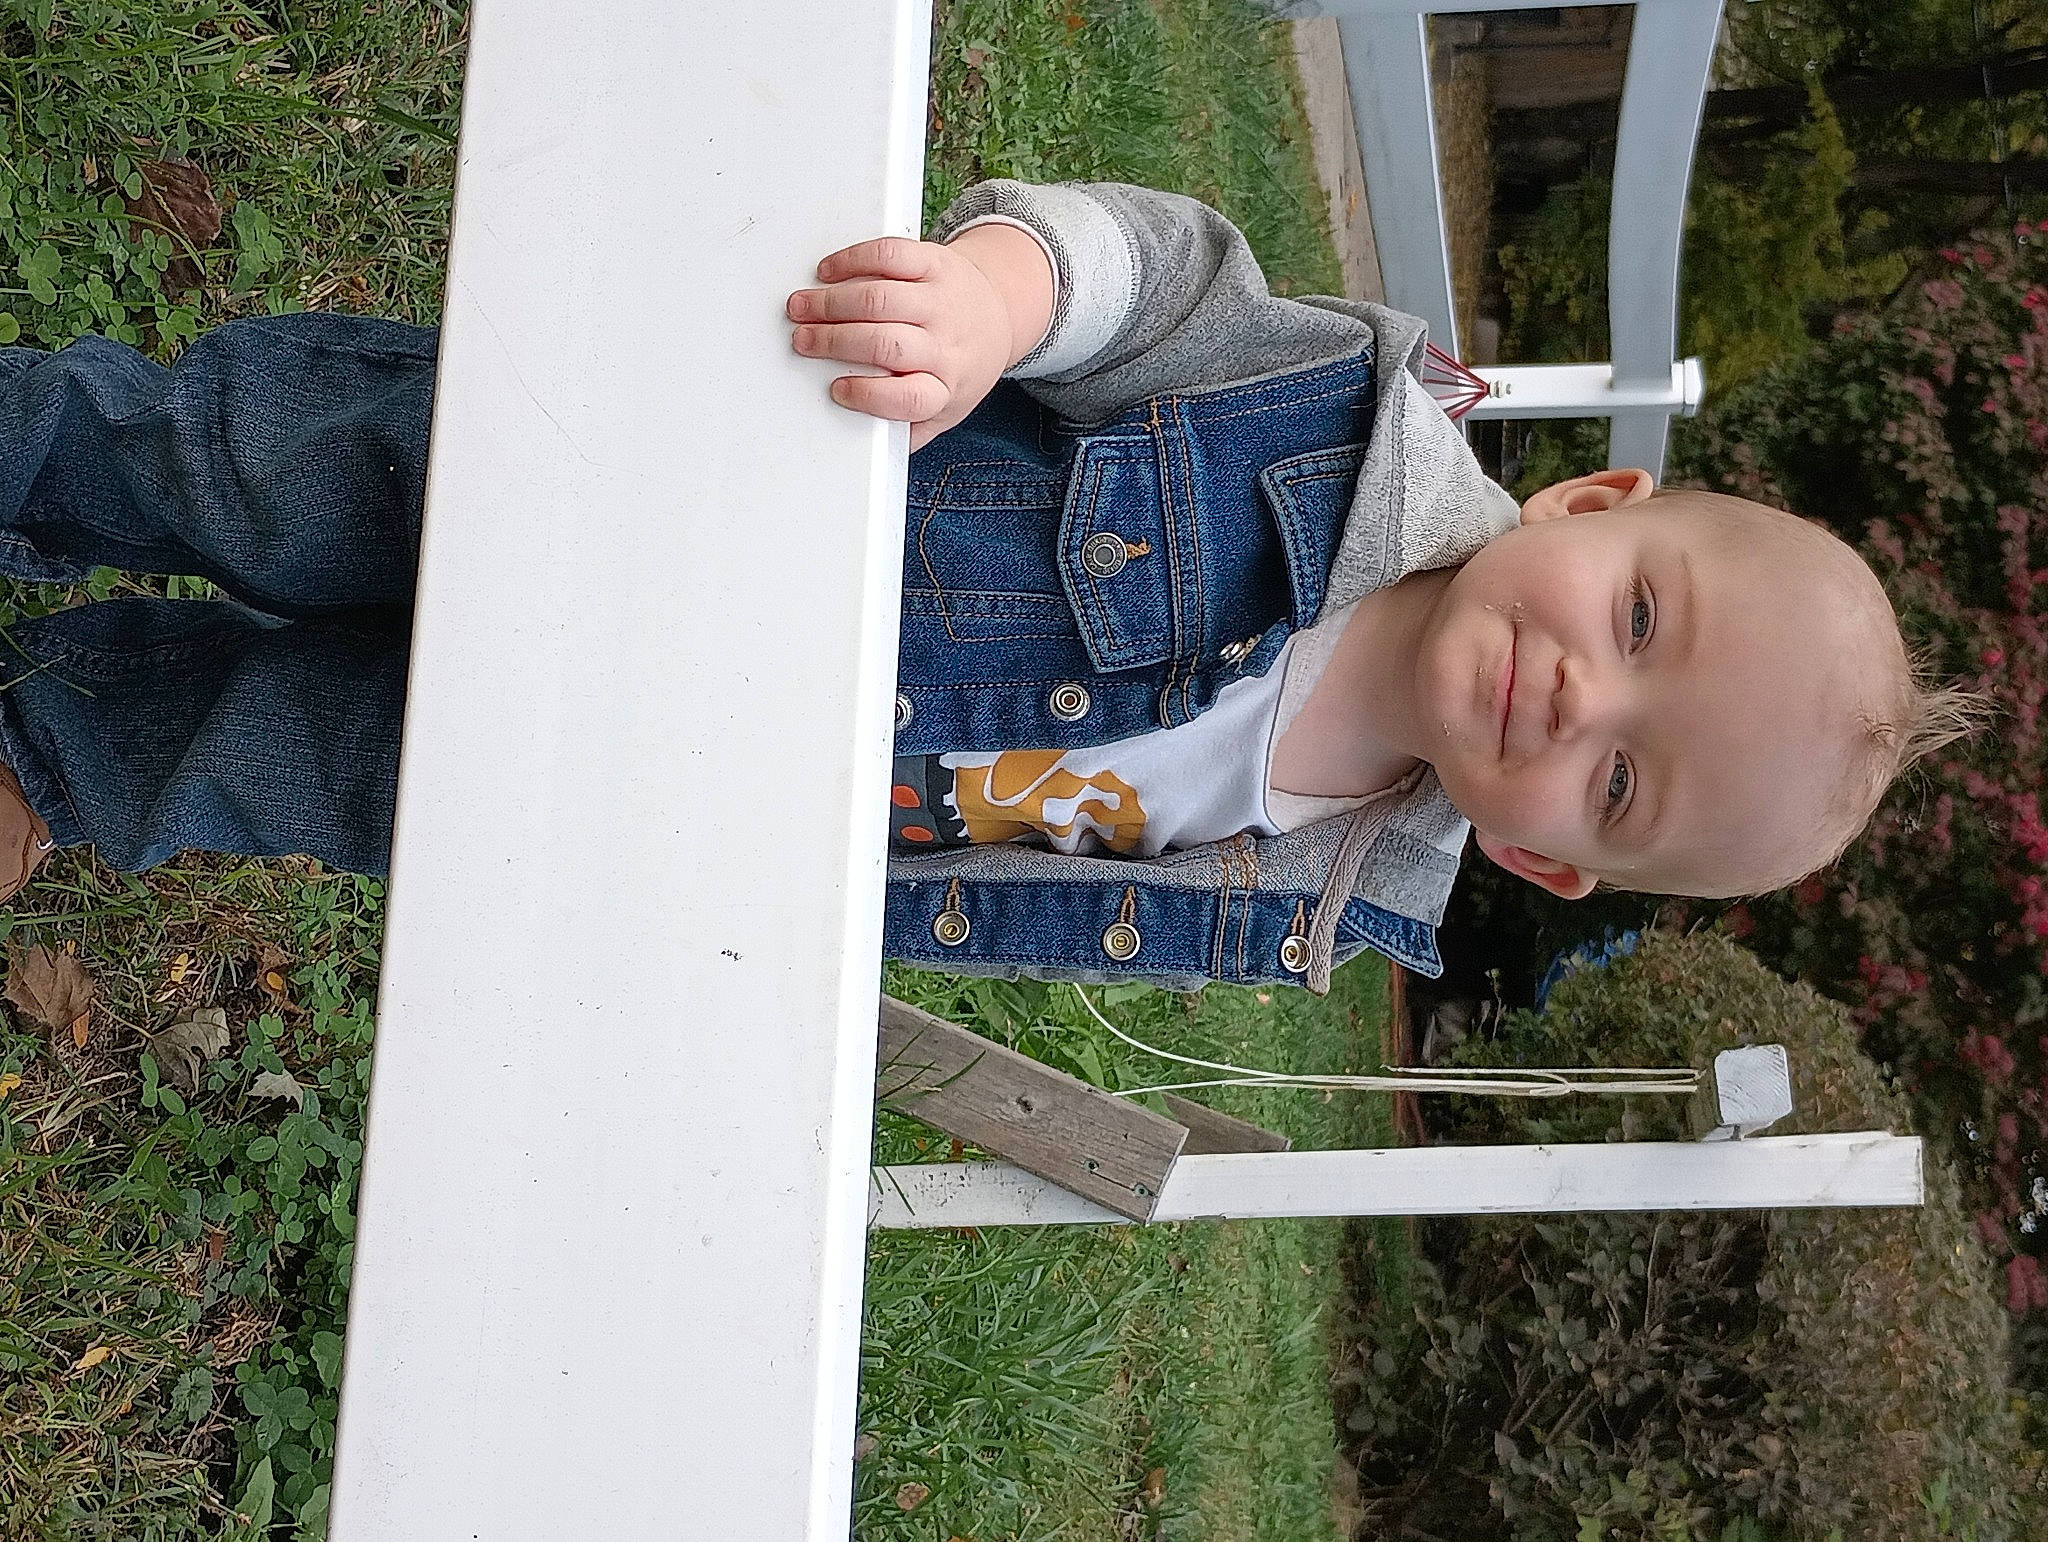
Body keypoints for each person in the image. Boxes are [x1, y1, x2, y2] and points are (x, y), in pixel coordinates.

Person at [0, 181, 1977, 992]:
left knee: (332, 768)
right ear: (1594, 504)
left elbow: (955, 903)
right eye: (1637, 624)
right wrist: (1001, 297)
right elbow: (1160, 269)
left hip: (677, 789)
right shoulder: (1335, 419)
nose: (1576, 701)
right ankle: (35, 460)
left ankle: (60, 752)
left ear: (1548, 868)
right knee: (255, 473)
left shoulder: (1291, 907)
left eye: (1618, 785)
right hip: (636, 497)